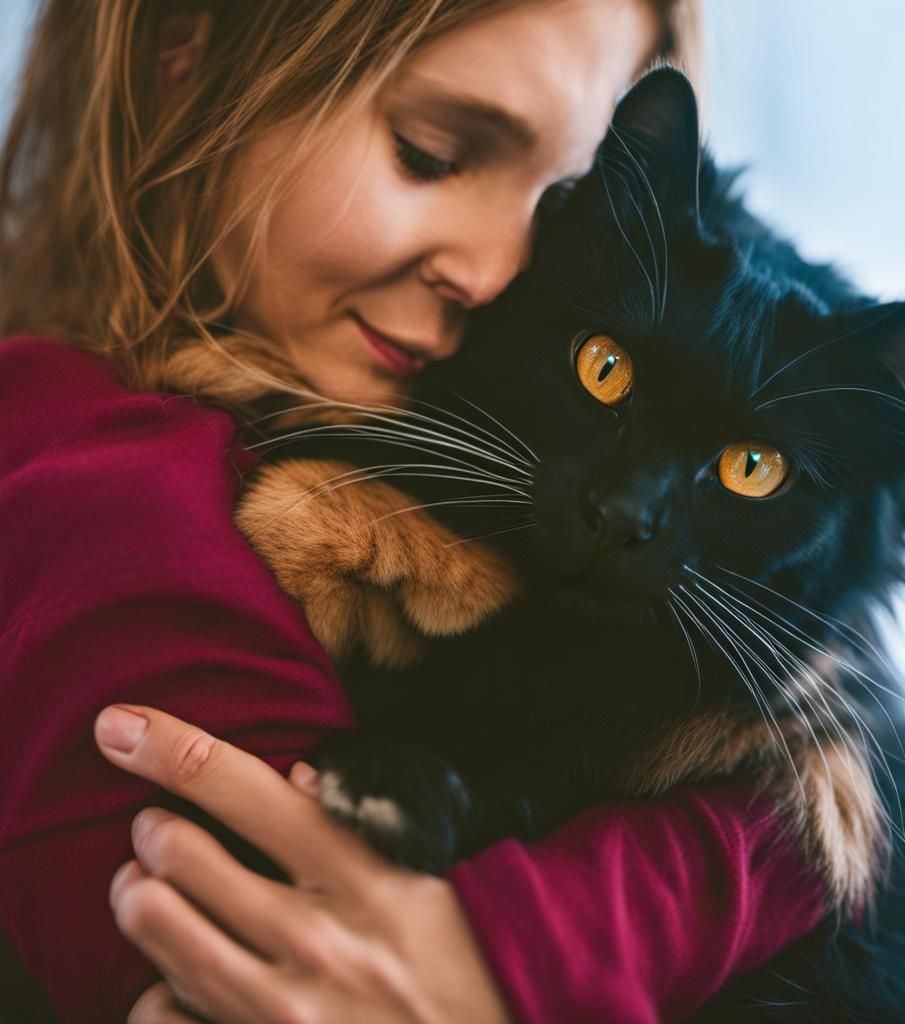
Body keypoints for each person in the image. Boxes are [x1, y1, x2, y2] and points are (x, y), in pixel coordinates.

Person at [0, 2, 825, 1021]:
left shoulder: (419, 416)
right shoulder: (119, 499)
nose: (497, 272)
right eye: (431, 155)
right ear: (187, 58)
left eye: (564, 196)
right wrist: (540, 946)